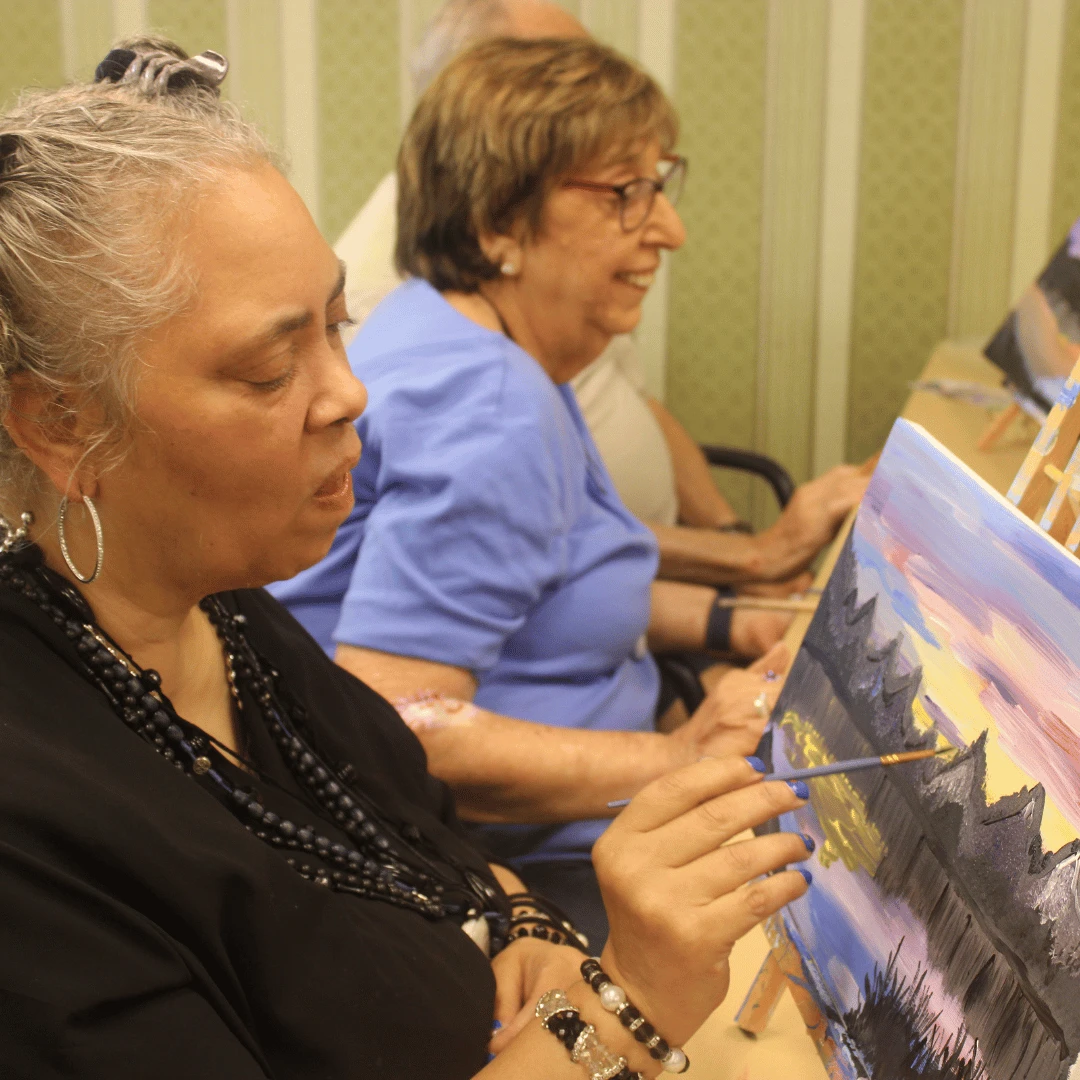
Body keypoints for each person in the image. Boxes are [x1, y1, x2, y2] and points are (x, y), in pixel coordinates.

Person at [0, 39, 814, 1079]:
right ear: (62, 424)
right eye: (266, 368)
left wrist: (521, 926)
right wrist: (632, 996)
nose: (351, 395)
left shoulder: (223, 610)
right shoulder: (32, 830)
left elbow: (437, 845)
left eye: (340, 326)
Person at [271, 37, 799, 949]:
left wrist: (730, 623)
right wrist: (684, 758)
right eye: (622, 193)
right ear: (496, 228)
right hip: (531, 869)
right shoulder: (491, 407)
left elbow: (547, 586)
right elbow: (405, 723)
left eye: (660, 184)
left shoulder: (452, 330)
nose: (668, 228)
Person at [335, 0, 870, 590]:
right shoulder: (461, 375)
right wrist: (753, 562)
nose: (673, 231)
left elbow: (617, 440)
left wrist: (735, 560)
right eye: (624, 188)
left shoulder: (525, 320)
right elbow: (444, 629)